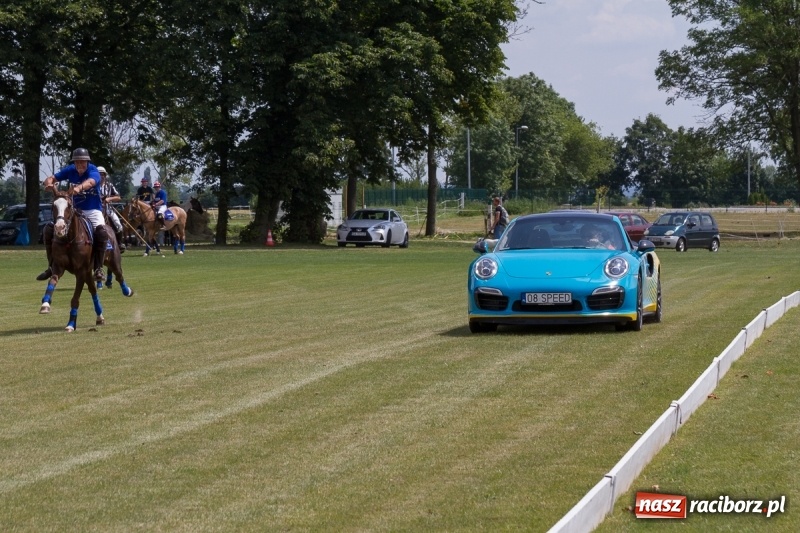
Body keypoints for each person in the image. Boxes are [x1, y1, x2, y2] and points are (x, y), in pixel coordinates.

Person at [36, 148, 108, 282]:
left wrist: (79, 188)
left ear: (87, 162)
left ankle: (98, 268)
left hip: (92, 210)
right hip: (74, 210)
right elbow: (52, 178)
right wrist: (49, 184)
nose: (80, 165)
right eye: (77, 163)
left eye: (82, 162)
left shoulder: (93, 171)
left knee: (102, 233)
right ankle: (51, 267)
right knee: (48, 230)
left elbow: (91, 182)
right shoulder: (70, 170)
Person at [97, 166, 125, 253]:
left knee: (118, 225)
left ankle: (120, 244)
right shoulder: (93, 186)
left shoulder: (109, 186)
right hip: (96, 211)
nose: (101, 176)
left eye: (103, 174)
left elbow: (118, 197)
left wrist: (109, 199)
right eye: (99, 174)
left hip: (108, 210)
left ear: (105, 176)